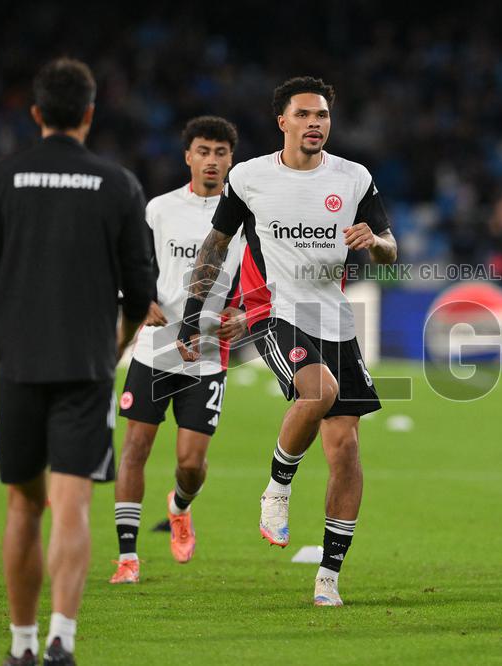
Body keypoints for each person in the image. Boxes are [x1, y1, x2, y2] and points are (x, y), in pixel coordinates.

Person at [0, 58, 154, 665]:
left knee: (23, 505)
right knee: (73, 506)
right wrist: (118, 340)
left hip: (14, 364)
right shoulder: (118, 184)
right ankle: (62, 638)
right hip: (85, 368)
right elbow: (141, 289)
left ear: (35, 113)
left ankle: (21, 645)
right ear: (90, 114)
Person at [176, 76, 397, 606]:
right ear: (283, 121)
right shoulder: (250, 177)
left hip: (336, 320)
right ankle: (278, 487)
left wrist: (377, 243)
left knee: (345, 449)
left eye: (322, 115)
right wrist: (192, 314)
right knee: (315, 393)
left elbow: (390, 248)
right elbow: (216, 243)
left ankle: (329, 578)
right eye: (304, 114)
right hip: (276, 310)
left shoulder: (354, 177)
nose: (315, 123)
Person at [109, 116, 246, 585]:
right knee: (135, 448)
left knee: (190, 462)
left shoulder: (246, 217)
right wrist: (139, 299)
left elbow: (261, 281)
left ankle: (180, 506)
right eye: (203, 151)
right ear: (188, 156)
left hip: (209, 350)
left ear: (232, 159)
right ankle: (127, 558)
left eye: (221, 153)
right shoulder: (159, 209)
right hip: (155, 346)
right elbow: (132, 265)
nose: (212, 160)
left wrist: (243, 314)